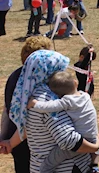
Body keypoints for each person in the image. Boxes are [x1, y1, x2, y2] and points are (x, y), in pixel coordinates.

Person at [7, 49, 99, 173]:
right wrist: (95, 147)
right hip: (64, 168)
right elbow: (68, 141)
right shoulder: (48, 100)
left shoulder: (30, 95)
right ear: (49, 70)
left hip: (38, 165)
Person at [27, 70, 98, 173]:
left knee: (51, 160)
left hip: (81, 145)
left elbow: (50, 107)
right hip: (91, 137)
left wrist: (35, 104)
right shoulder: (85, 96)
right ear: (75, 82)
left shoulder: (67, 101)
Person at [1, 36, 52, 173]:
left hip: (18, 143)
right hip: (37, 145)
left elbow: (7, 110)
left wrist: (5, 137)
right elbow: (31, 121)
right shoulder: (44, 81)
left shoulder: (14, 76)